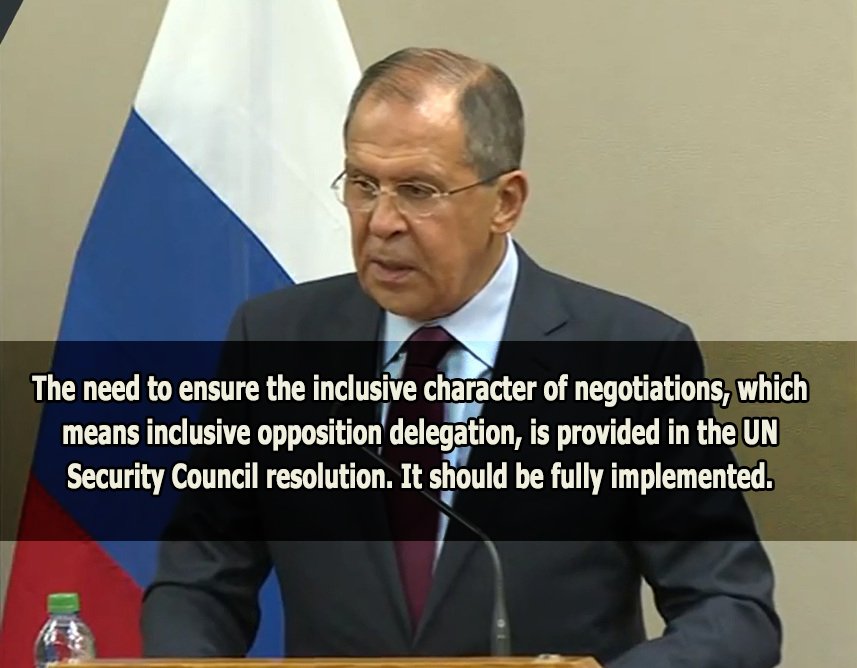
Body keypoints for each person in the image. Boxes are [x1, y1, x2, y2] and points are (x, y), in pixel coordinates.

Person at [141, 48, 781, 668]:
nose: (381, 221)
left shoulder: (629, 358)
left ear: (506, 202)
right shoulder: (277, 343)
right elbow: (200, 577)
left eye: (418, 190)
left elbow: (730, 608)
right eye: (362, 184)